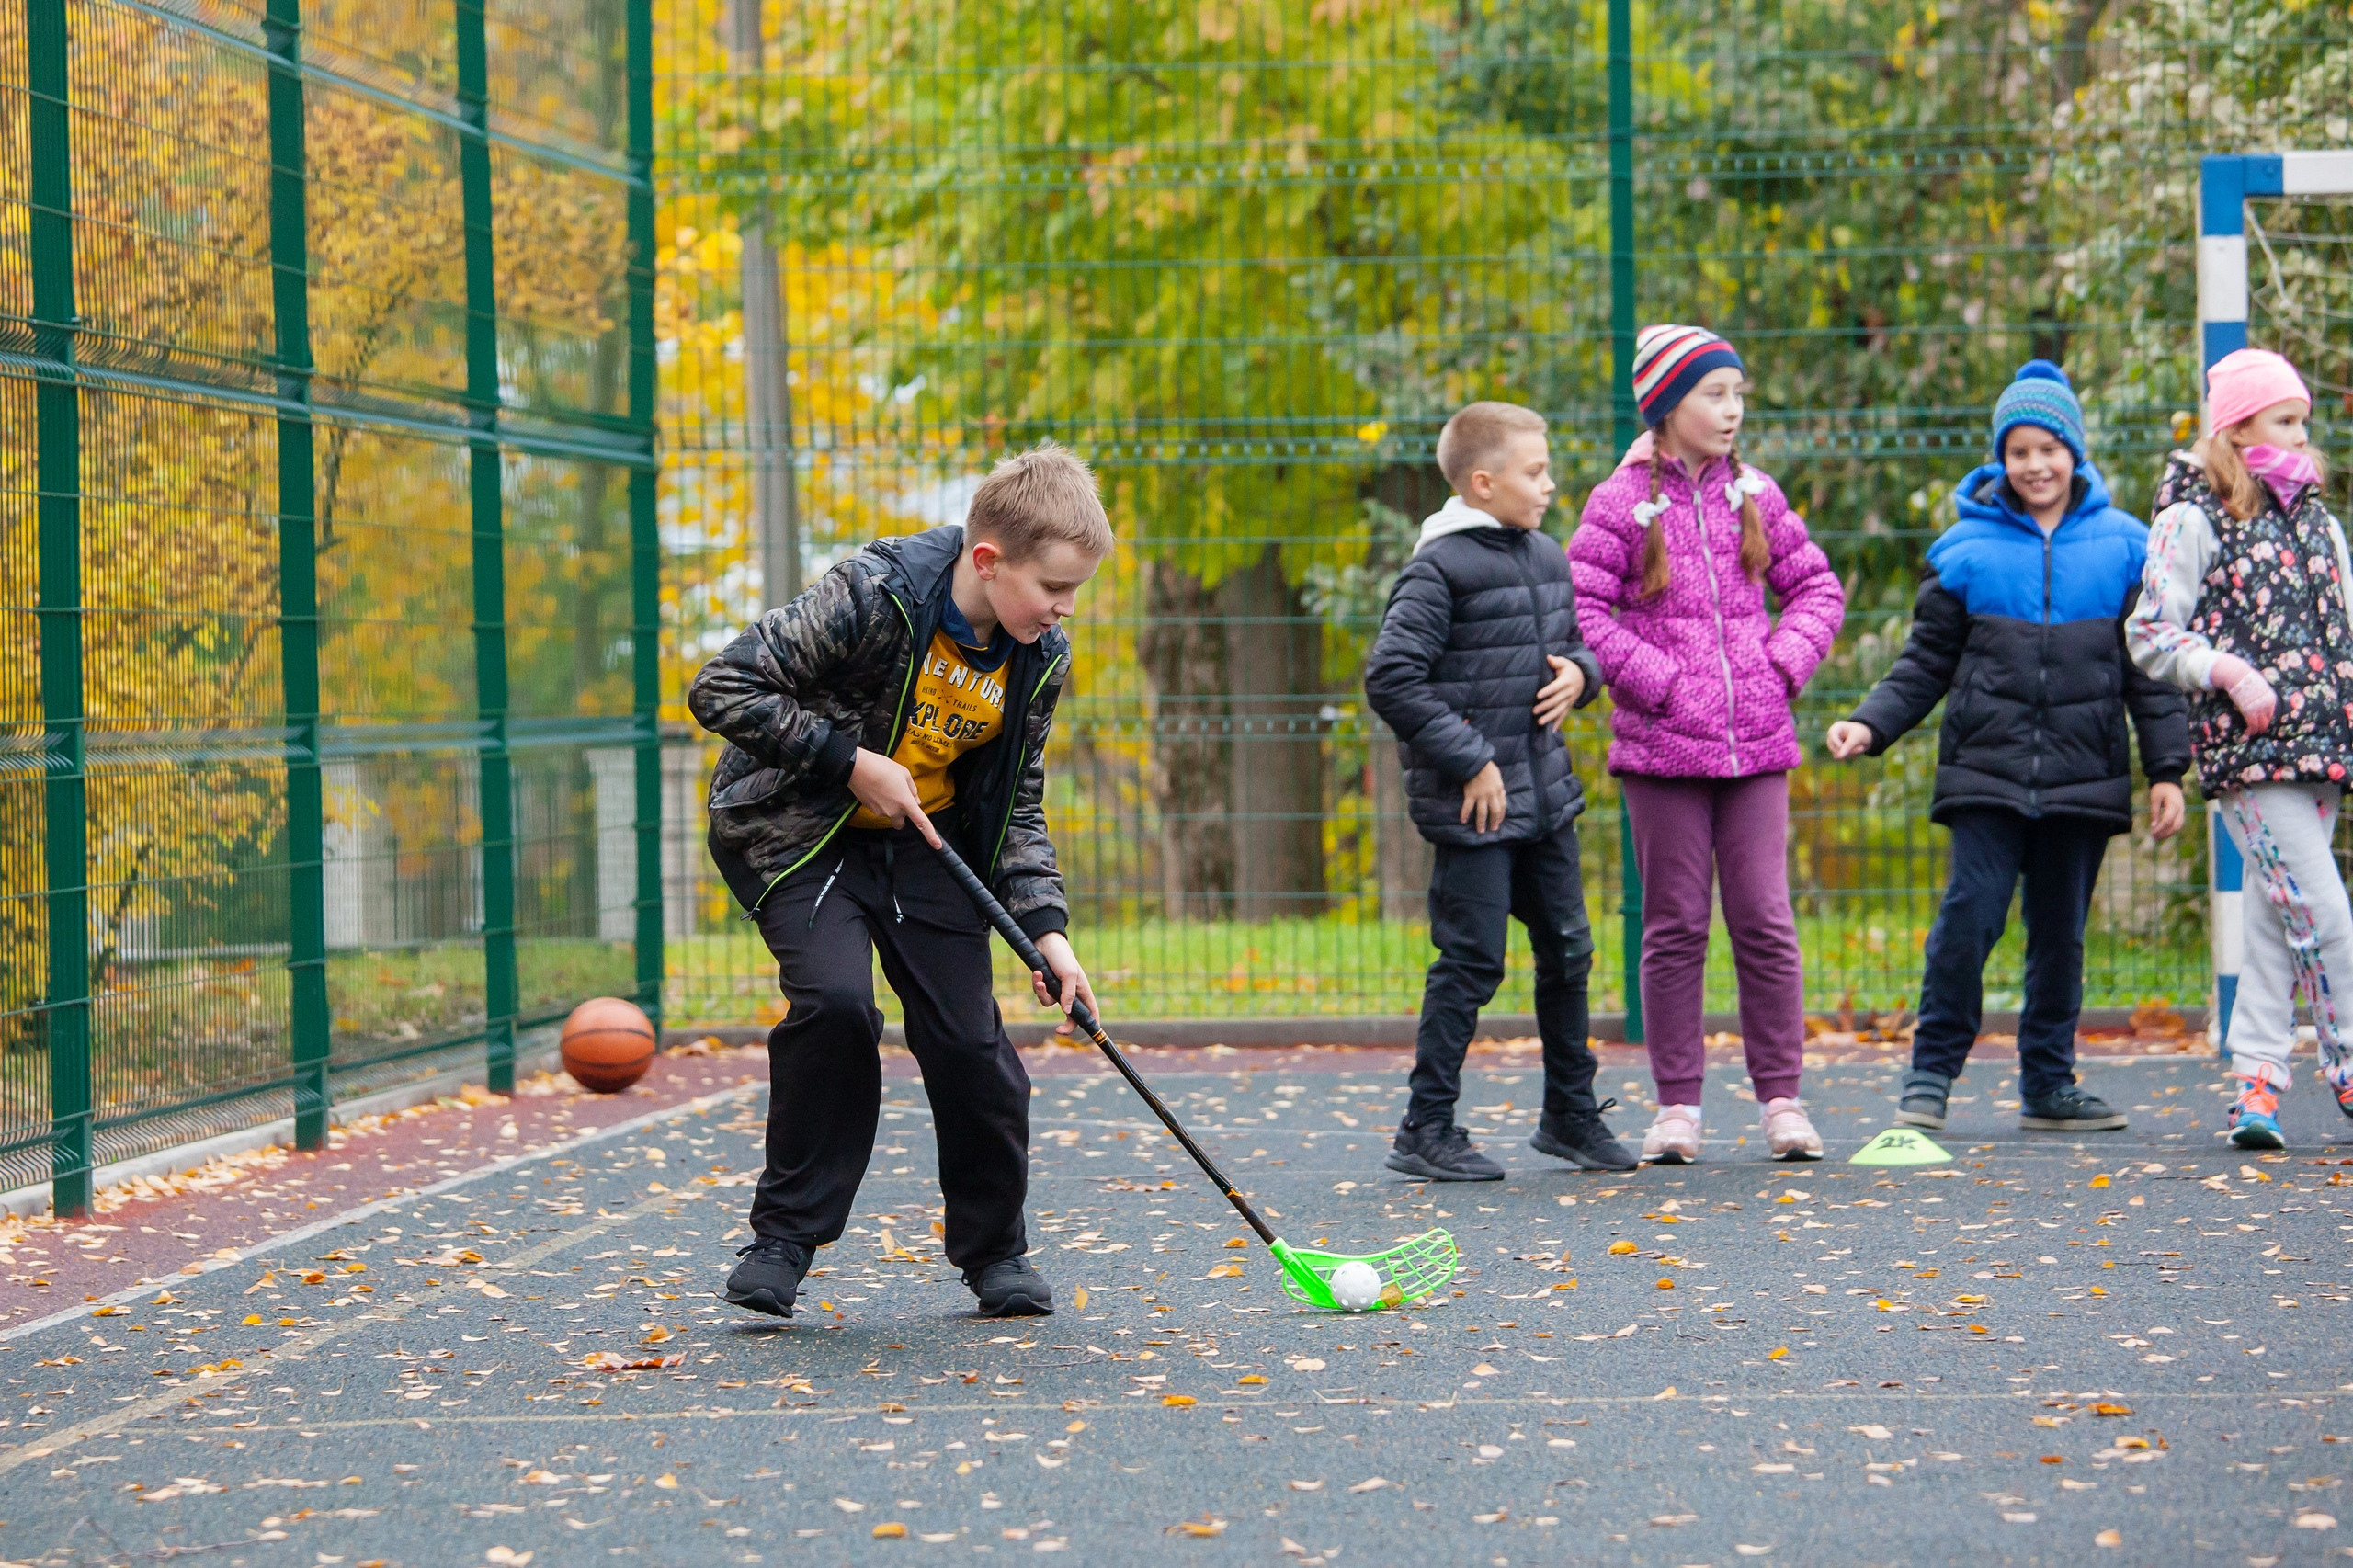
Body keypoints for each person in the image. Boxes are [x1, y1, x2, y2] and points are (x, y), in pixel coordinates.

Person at [688, 443, 1110, 1316]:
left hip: (928, 845)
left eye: (1074, 592)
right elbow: (721, 685)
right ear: (988, 561)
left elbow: (1015, 806)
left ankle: (996, 1255)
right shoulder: (870, 595)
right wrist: (849, 762)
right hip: (806, 831)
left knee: (971, 1045)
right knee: (839, 1007)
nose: (1064, 610)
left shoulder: (1039, 655)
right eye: (1053, 588)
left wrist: (1049, 933)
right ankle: (783, 1242)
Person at [1825, 360, 2190, 1135]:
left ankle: (2048, 1083)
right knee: (1971, 917)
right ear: (2000, 458)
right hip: (1986, 772)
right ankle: (1930, 1074)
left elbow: (2149, 672)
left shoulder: (2126, 548)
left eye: (2047, 449)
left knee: (2060, 934)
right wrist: (1872, 723)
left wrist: (2167, 770)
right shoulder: (1966, 550)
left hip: (2084, 775)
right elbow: (1924, 663)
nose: (2034, 466)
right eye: (2018, 451)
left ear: (2074, 451)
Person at [1568, 324, 1846, 1163]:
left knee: (1764, 919)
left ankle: (1783, 1101)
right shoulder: (1616, 503)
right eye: (1713, 395)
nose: (1732, 411)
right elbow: (1583, 614)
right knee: (1676, 923)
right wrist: (1661, 685)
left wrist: (1780, 668)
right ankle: (1677, 1107)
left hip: (1756, 746)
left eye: (1737, 395)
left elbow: (1817, 589)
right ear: (1666, 405)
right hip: (1661, 752)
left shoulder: (1756, 493)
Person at [1363, 400, 1633, 1180]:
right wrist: (1471, 759)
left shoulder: (1545, 554)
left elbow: (1576, 644)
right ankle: (1426, 1126)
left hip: (1546, 796)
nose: (1549, 484)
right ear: (1483, 483)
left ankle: (1571, 1117)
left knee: (1568, 951)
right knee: (1473, 960)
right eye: (1535, 470)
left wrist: (1585, 675)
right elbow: (1392, 677)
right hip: (1477, 802)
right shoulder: (1438, 568)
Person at [2127, 347, 2353, 1151]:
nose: (2301, 437)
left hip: (2323, 749)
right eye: (2284, 421)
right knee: (2327, 914)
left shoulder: (2320, 523)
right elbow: (2151, 633)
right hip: (2250, 757)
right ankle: (2350, 1063)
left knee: (2274, 916)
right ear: (2237, 425)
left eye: (2303, 422)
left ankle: (2256, 1082)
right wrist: (2226, 669)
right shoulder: (2192, 517)